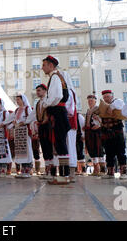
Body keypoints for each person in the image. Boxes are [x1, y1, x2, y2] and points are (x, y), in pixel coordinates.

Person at [38, 56, 71, 185]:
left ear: (51, 65)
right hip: (57, 113)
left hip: (57, 113)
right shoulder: (56, 77)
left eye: (44, 65)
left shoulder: (55, 77)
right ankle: (63, 174)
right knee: (59, 143)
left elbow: (57, 96)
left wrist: (46, 104)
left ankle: (63, 175)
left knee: (60, 143)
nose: (42, 68)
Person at [99, 90, 127, 180]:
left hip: (117, 132)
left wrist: (111, 106)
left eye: (107, 97)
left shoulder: (117, 101)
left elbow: (121, 105)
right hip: (107, 133)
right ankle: (110, 172)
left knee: (120, 152)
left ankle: (123, 172)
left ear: (111, 96)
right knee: (108, 152)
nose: (106, 99)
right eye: (104, 97)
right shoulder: (102, 107)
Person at [5, 94, 33, 178]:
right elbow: (10, 119)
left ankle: (28, 170)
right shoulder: (17, 110)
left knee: (27, 150)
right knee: (20, 151)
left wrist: (22, 122)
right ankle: (22, 170)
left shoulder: (27, 108)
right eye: (16, 100)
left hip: (25, 132)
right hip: (18, 133)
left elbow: (30, 118)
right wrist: (5, 125)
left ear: (23, 100)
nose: (17, 101)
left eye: (18, 99)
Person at [84, 94, 105, 176]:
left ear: (95, 101)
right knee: (92, 150)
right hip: (90, 133)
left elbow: (104, 120)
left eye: (91, 100)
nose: (90, 102)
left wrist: (99, 124)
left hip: (97, 132)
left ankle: (102, 170)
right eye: (89, 100)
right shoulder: (88, 110)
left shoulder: (99, 109)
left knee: (99, 150)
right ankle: (96, 170)